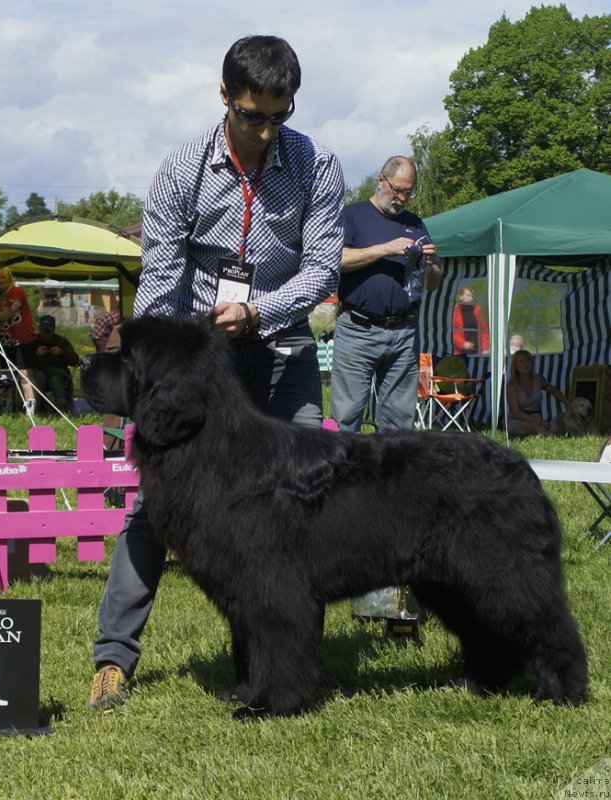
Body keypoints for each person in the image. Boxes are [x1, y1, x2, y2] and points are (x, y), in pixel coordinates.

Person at [87, 34, 345, 710]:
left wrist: (259, 311)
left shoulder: (317, 165)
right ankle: (113, 661)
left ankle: (289, 665)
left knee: (306, 502)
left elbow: (319, 268)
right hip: (203, 365)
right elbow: (161, 279)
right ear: (225, 96)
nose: (265, 130)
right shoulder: (180, 171)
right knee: (154, 508)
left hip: (283, 348)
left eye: (279, 116)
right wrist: (146, 367)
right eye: (253, 115)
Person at [330, 155, 442, 624]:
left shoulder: (418, 224)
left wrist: (432, 264)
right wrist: (385, 249)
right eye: (397, 189)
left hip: (403, 331)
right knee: (350, 419)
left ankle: (395, 510)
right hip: (358, 329)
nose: (402, 197)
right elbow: (335, 261)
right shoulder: (353, 216)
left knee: (400, 427)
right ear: (381, 181)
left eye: (408, 191)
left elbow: (433, 283)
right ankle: (340, 509)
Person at [0, 266, 38, 414]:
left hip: (24, 341)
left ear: (9, 278)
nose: (0, 280)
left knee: (25, 376)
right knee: (7, 377)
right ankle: (7, 407)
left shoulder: (17, 293)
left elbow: (6, 315)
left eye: (3, 277)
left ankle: (31, 408)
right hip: (6, 343)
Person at [506, 349, 568, 436]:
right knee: (534, 427)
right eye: (521, 361)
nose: (525, 364)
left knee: (556, 427)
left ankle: (549, 435)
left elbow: (554, 391)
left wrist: (567, 403)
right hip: (519, 420)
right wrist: (539, 422)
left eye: (528, 361)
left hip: (537, 418)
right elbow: (516, 412)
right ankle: (551, 438)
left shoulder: (538, 379)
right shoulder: (512, 385)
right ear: (516, 366)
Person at [32, 315, 80, 412]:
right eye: (43, 331)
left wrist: (62, 352)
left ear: (54, 330)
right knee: (40, 376)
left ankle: (61, 405)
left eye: (48, 332)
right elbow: (23, 360)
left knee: (55, 378)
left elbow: (76, 361)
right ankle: (36, 405)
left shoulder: (62, 341)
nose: (46, 334)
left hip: (59, 372)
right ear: (39, 329)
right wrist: (35, 353)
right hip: (39, 371)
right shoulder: (33, 341)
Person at [452, 285, 489, 355]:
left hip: (478, 351)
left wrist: (485, 348)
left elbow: (484, 330)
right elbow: (452, 332)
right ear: (461, 296)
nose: (471, 298)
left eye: (472, 296)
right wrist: (463, 343)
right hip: (461, 352)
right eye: (468, 296)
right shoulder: (455, 311)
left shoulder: (478, 310)